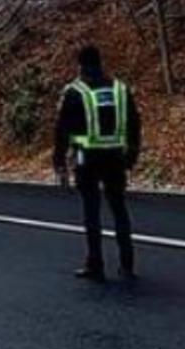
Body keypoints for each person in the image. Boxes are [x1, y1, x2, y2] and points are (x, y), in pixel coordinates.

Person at [53, 46, 142, 281]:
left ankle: (95, 264)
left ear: (80, 66)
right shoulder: (120, 90)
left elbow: (62, 129)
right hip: (115, 157)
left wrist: (59, 162)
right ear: (101, 63)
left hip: (87, 158)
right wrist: (132, 155)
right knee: (119, 208)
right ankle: (127, 264)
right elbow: (134, 124)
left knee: (91, 211)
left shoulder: (74, 91)